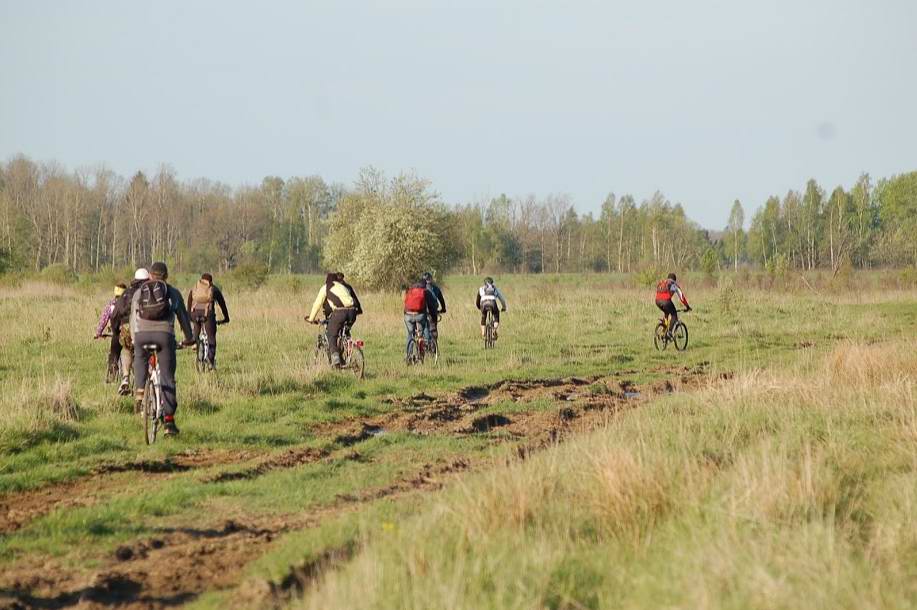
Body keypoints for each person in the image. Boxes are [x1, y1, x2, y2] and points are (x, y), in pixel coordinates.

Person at [131, 261, 195, 436]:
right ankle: (168, 422)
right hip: (165, 336)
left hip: (141, 335)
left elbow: (133, 318)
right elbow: (182, 316)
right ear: (166, 276)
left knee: (140, 358)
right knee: (167, 377)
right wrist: (190, 338)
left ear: (150, 275)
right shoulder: (172, 292)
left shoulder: (139, 292)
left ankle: (139, 390)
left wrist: (135, 338)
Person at [108, 268, 151, 395]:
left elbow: (115, 314)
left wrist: (116, 330)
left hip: (126, 327)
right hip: (147, 327)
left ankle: (125, 378)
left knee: (126, 349)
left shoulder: (126, 293)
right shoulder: (151, 292)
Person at [306, 272, 359, 367]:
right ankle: (345, 356)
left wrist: (311, 319)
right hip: (352, 312)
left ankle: (335, 359)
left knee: (331, 334)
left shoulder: (326, 287)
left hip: (340, 312)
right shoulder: (342, 286)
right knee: (343, 334)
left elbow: (317, 304)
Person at [186, 273, 230, 369]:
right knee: (211, 337)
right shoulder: (213, 289)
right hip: (208, 315)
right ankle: (210, 361)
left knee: (196, 335)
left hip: (194, 314)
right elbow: (222, 304)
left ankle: (197, 347)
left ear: (201, 280)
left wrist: (189, 317)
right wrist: (226, 318)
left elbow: (189, 303)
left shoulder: (195, 288)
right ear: (210, 281)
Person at [94, 282, 127, 382]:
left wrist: (98, 333)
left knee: (114, 353)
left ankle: (112, 377)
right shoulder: (129, 303)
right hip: (129, 332)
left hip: (117, 334)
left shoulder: (111, 304)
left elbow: (103, 320)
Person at [403, 277, 439, 361]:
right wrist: (434, 319)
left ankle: (408, 355)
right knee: (423, 329)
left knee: (410, 333)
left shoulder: (410, 290)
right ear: (424, 285)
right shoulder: (425, 291)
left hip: (407, 315)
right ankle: (421, 353)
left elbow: (405, 305)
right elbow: (432, 307)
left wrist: (406, 315)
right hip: (420, 315)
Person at [422, 271, 446, 341]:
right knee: (433, 329)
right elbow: (441, 300)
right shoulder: (436, 288)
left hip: (422, 311)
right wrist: (443, 309)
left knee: (423, 328)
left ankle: (423, 345)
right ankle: (434, 347)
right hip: (433, 312)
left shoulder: (421, 288)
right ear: (431, 279)